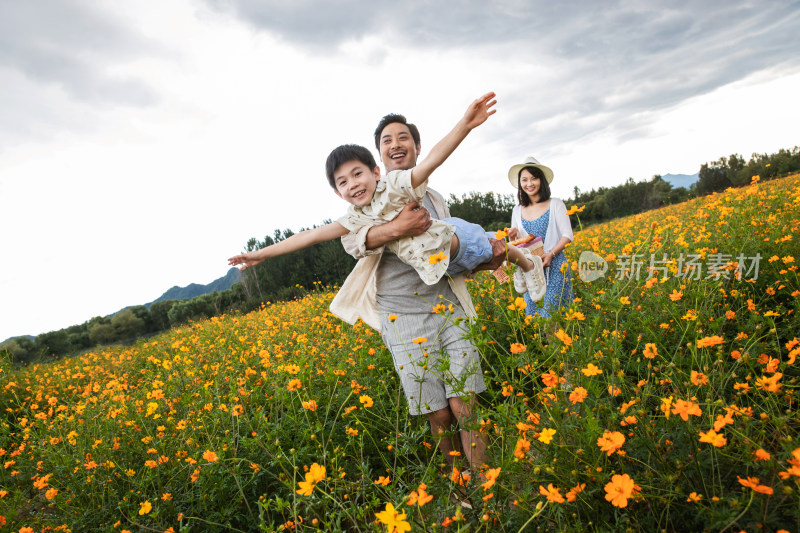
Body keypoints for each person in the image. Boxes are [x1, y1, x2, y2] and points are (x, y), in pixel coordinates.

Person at [332, 106, 507, 481]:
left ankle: (486, 486)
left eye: (403, 138)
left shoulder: (436, 198)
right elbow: (364, 240)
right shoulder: (365, 206)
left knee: (464, 404)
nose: (396, 145)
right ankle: (458, 484)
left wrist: (482, 262)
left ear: (416, 146)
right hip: (403, 318)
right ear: (379, 158)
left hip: (449, 308)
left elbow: (445, 256)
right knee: (438, 413)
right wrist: (397, 226)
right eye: (386, 141)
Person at [228, 93, 545, 299]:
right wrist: (262, 254)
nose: (353, 184)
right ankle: (522, 261)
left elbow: (433, 158)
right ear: (337, 193)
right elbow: (310, 236)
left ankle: (527, 262)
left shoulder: (395, 186)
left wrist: (465, 125)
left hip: (455, 237)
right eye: (343, 182)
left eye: (357, 174)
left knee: (492, 247)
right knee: (490, 251)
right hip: (441, 262)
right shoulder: (355, 218)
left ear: (375, 172)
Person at [508, 156, 574, 318]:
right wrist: (512, 238)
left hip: (555, 265)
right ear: (520, 184)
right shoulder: (517, 210)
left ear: (541, 180)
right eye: (524, 180)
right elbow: (517, 245)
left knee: (552, 315)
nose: (529, 184)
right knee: (534, 317)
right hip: (530, 270)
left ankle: (559, 343)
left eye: (534, 178)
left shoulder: (556, 204)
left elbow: (567, 235)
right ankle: (545, 344)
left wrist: (551, 255)